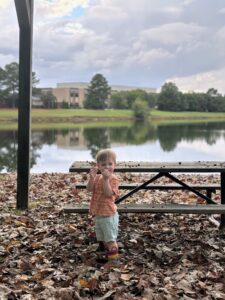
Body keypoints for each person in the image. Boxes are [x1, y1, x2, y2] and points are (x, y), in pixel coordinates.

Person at [87, 148, 120, 263]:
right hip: (99, 213)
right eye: (103, 164)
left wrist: (106, 180)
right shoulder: (97, 178)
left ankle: (114, 262)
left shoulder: (113, 179)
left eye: (110, 164)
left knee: (110, 239)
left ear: (114, 165)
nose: (107, 167)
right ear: (98, 166)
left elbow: (108, 194)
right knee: (103, 238)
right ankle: (108, 256)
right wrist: (91, 178)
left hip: (109, 215)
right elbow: (89, 189)